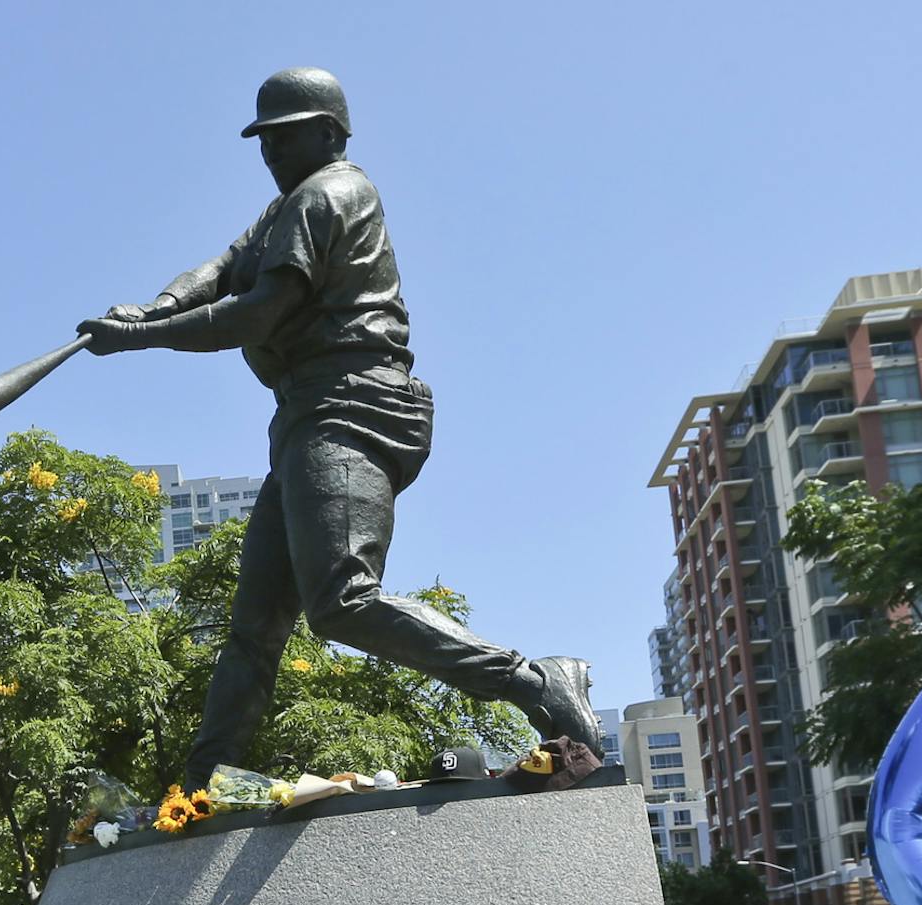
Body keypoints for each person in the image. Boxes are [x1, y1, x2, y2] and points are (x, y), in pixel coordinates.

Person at [77, 67, 602, 788]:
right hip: (306, 417)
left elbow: (258, 312)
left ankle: (536, 682)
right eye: (263, 139)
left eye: (283, 135)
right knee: (254, 630)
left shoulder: (330, 192)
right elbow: (223, 269)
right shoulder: (283, 208)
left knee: (343, 600)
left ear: (329, 133)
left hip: (351, 404)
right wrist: (157, 306)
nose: (269, 150)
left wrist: (144, 337)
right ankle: (200, 791)